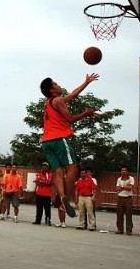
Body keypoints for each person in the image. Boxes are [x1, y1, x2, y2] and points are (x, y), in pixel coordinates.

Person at [39, 74, 99, 217]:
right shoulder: (58, 100)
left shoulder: (49, 102)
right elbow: (70, 119)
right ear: (52, 90)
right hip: (59, 139)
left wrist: (86, 82)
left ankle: (62, 197)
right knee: (73, 169)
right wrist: (86, 113)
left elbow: (74, 94)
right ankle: (67, 196)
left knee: (58, 171)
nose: (58, 84)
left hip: (46, 142)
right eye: (55, 83)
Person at [115, 166, 135, 235]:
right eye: (122, 170)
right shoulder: (119, 179)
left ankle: (129, 230)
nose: (123, 171)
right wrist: (126, 186)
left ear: (127, 171)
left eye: (125, 170)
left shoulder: (131, 178)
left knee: (128, 214)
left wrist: (122, 187)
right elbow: (117, 188)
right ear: (121, 172)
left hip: (128, 198)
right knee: (119, 214)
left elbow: (130, 188)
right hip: (120, 197)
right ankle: (120, 229)